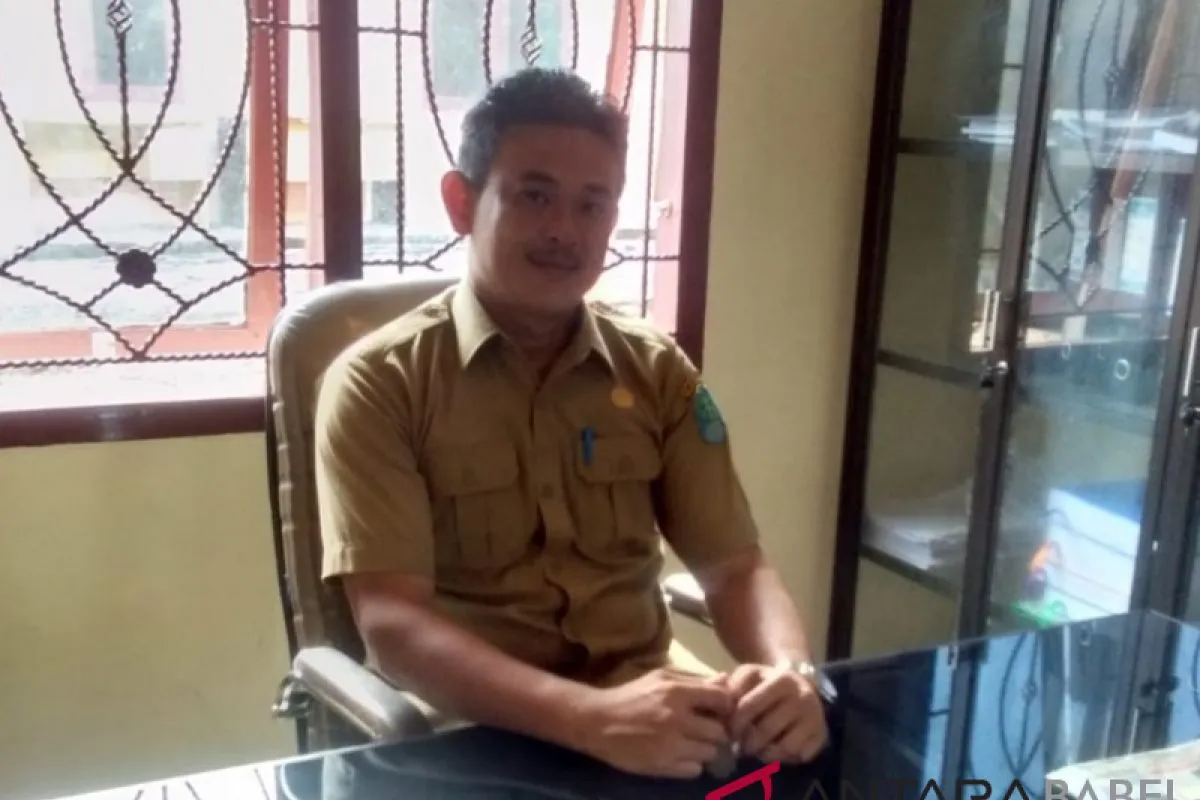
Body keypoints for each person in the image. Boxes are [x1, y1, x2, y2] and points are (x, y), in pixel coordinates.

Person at [313, 67, 826, 780]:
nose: (564, 230)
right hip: (469, 736)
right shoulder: (380, 382)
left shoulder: (656, 371)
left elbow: (736, 568)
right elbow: (393, 626)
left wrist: (792, 673)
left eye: (593, 204)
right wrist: (589, 719)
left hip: (648, 712)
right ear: (462, 202)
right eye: (534, 196)